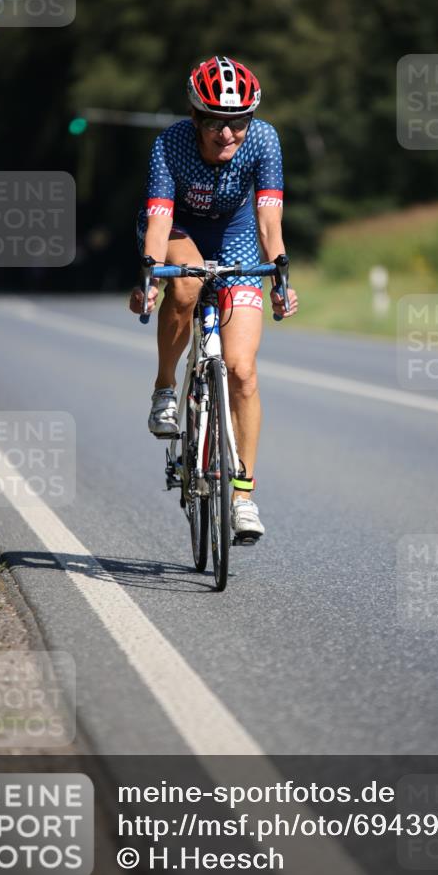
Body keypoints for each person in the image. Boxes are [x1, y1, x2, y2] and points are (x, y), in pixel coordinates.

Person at [130, 56, 298, 539]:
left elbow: (269, 220)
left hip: (236, 233)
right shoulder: (170, 144)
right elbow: (159, 219)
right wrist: (149, 277)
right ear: (195, 117)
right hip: (178, 228)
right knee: (184, 284)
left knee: (243, 371)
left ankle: (243, 495)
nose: (227, 134)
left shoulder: (264, 140)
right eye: (214, 123)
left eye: (237, 122)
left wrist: (280, 278)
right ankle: (165, 386)